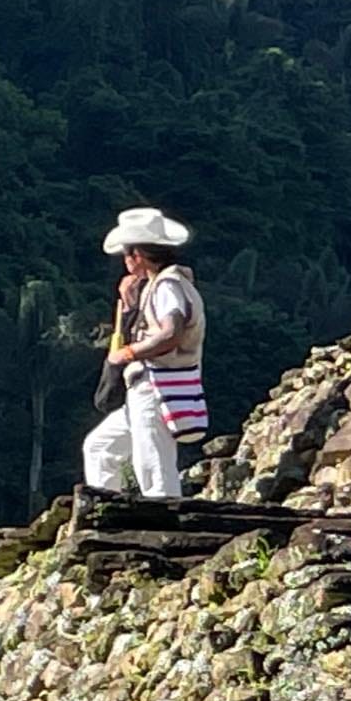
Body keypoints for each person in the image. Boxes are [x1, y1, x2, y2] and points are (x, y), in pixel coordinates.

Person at [80, 206, 207, 499]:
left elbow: (170, 333)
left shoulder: (167, 286)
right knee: (100, 447)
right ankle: (108, 509)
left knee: (152, 461)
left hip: (156, 383)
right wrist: (129, 307)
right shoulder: (160, 285)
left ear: (137, 254)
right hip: (147, 385)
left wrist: (128, 353)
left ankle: (163, 514)